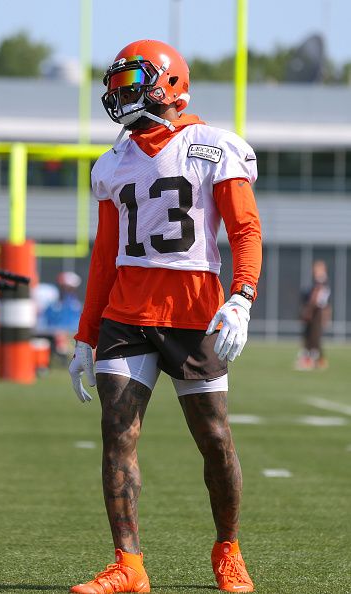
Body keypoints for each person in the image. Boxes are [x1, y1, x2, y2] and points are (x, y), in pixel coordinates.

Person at [68, 39, 262, 594]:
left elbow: (246, 230)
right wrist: (86, 335)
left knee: (215, 438)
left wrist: (242, 296)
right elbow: (105, 255)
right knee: (117, 435)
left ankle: (228, 548)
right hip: (126, 313)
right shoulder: (114, 161)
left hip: (193, 310)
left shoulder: (214, 146)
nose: (118, 94)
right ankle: (128, 565)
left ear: (169, 84)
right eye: (116, 83)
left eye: (130, 81)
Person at [295, 260, 331, 370]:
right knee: (312, 338)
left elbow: (316, 299)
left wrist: (308, 310)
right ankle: (318, 361)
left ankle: (311, 361)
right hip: (316, 312)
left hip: (316, 312)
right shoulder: (321, 282)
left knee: (312, 338)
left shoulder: (320, 281)